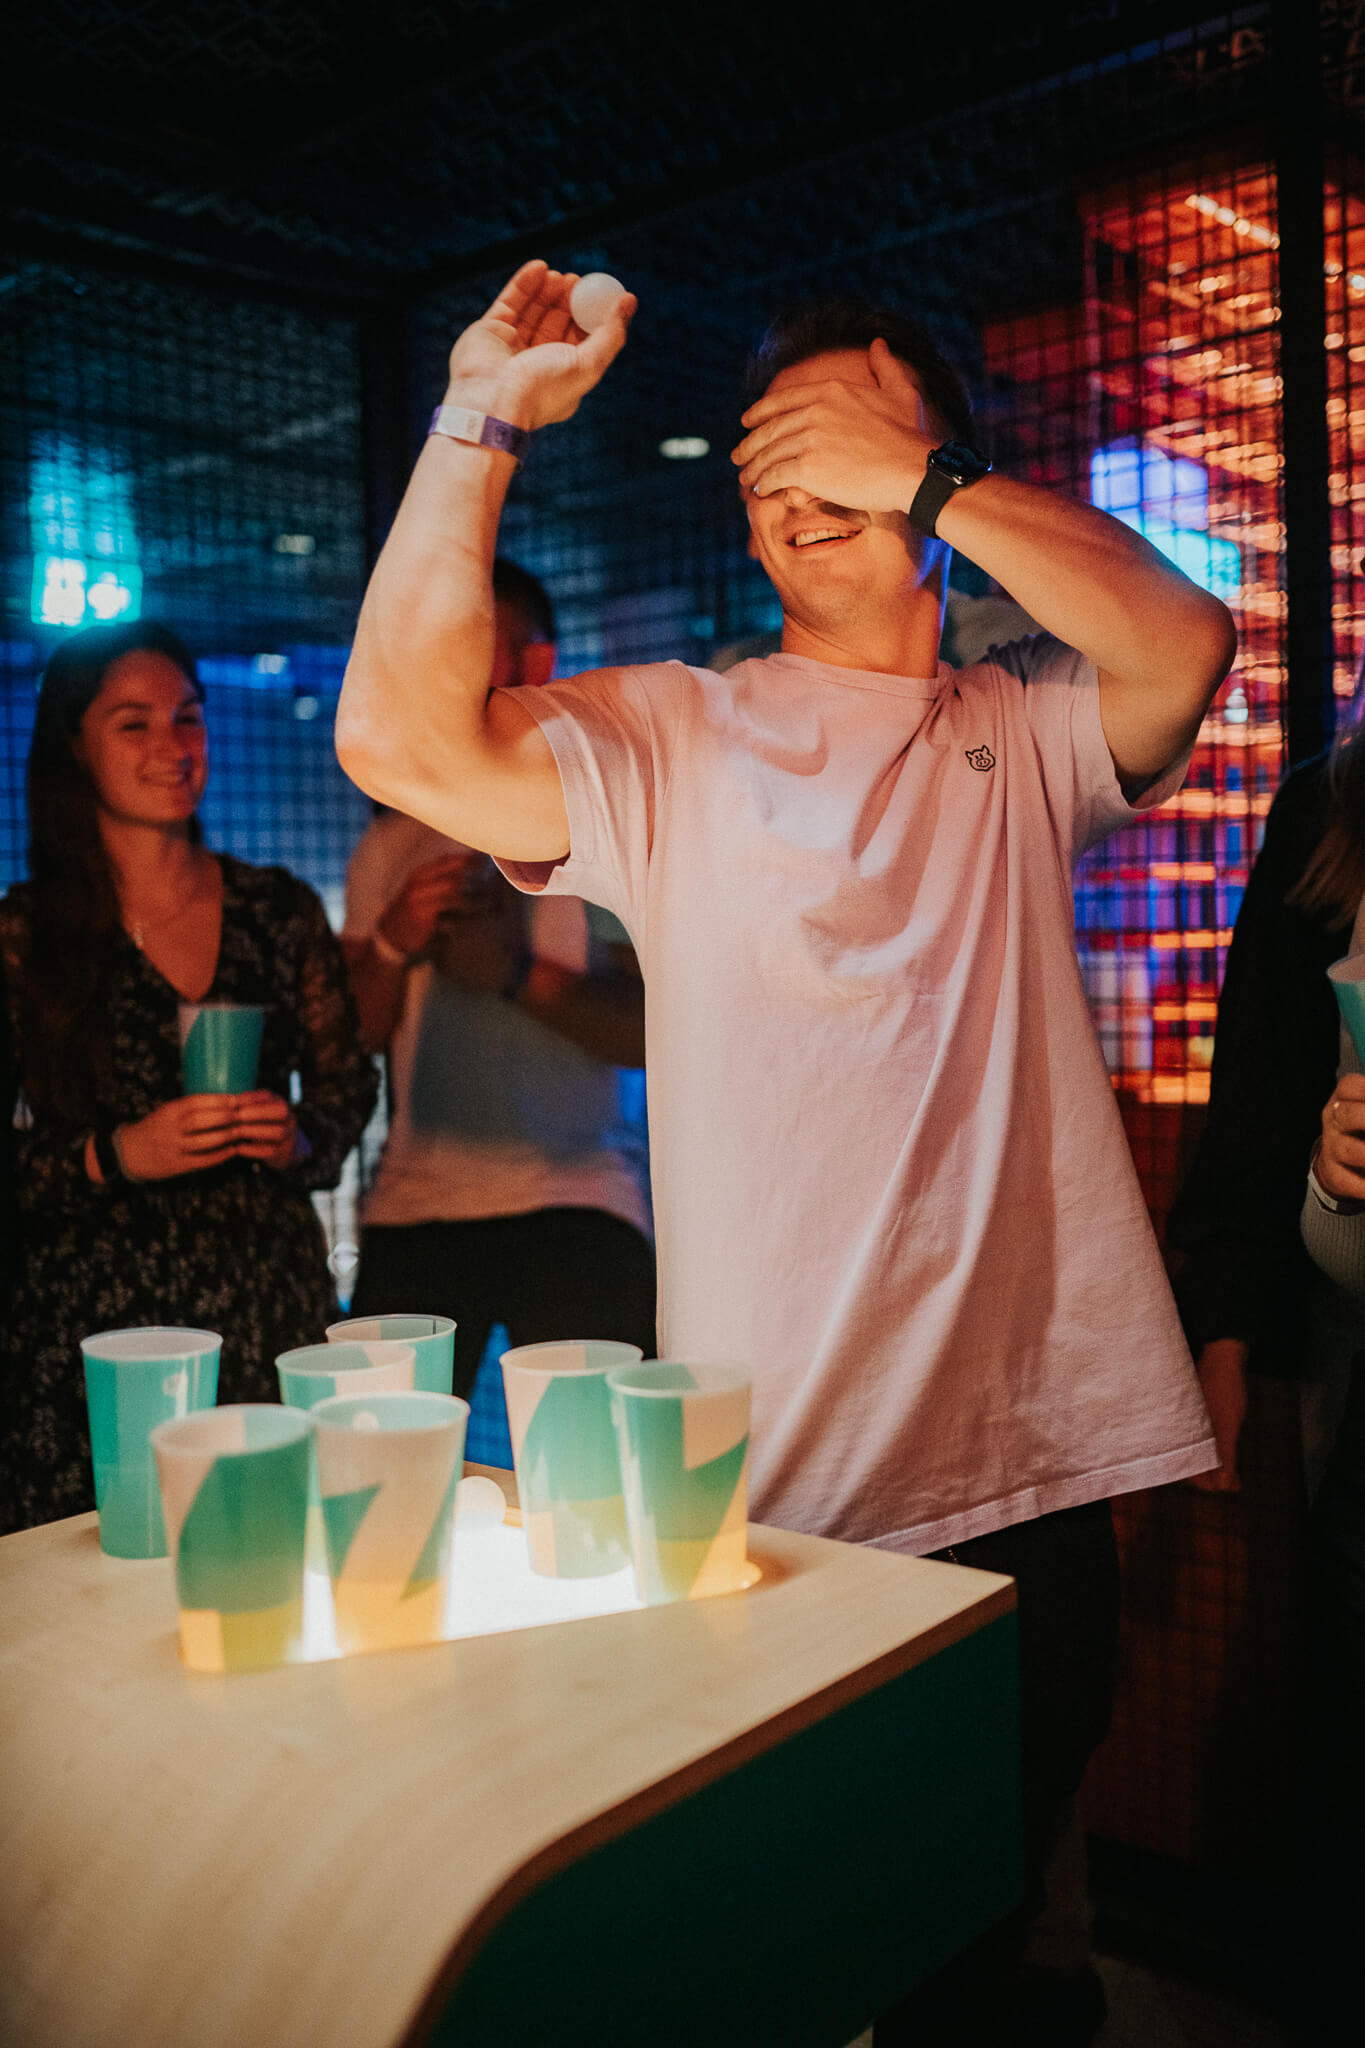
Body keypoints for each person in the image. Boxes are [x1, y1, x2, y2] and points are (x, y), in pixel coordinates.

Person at [335, 262, 1234, 2042]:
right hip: (782, 1509)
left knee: (986, 1957)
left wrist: (928, 477)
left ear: (934, 468)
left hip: (1036, 1481)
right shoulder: (683, 732)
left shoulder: (1022, 725)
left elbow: (1184, 645)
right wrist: (477, 419)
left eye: (845, 444)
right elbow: (400, 737)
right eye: (768, 460)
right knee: (809, 1965)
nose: (800, 487)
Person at [0, 620, 377, 1534]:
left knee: (277, 1560)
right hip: (95, 1341)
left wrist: (296, 1136)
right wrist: (114, 1153)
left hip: (265, 1307)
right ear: (74, 746)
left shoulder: (275, 910)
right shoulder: (26, 937)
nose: (173, 745)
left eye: (189, 717)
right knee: (105, 1581)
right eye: (133, 723)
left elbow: (347, 1087)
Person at [340, 558, 654, 1398]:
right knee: (374, 1449)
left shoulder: (602, 822)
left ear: (535, 663)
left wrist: (515, 973)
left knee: (599, 1454)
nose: (439, 671)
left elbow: (651, 1034)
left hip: (579, 1194)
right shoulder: (392, 838)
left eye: (466, 645)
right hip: (416, 1200)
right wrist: (394, 944)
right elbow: (352, 1035)